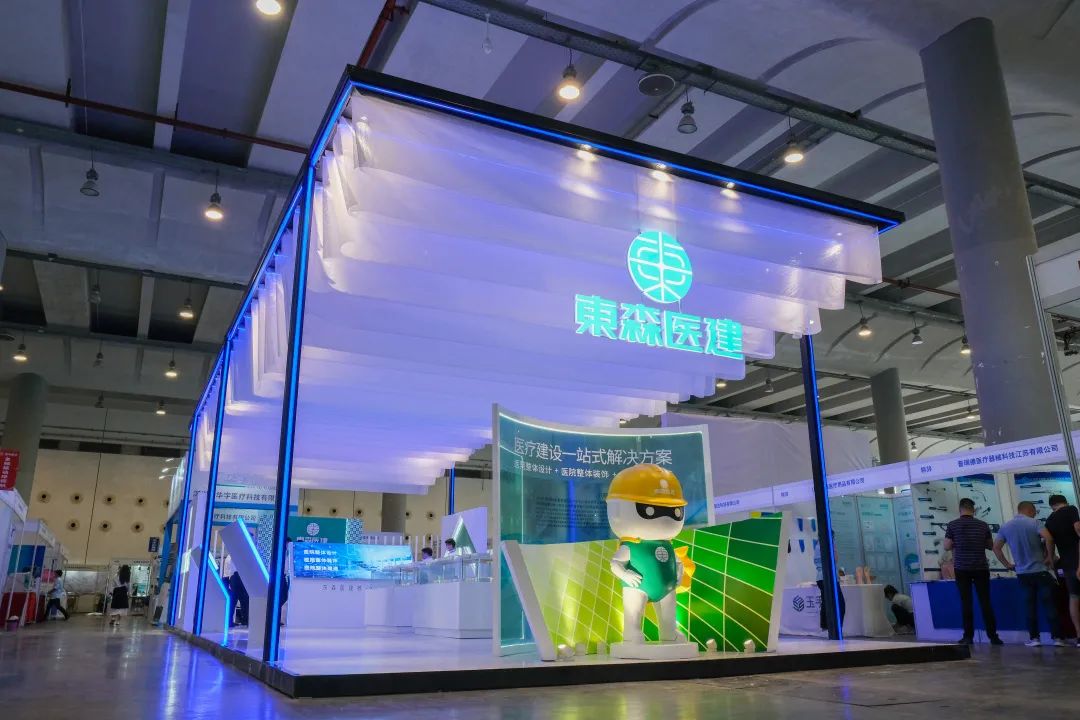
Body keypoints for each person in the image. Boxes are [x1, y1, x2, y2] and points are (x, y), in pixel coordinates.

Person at [995, 501, 1064, 647]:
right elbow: (1049, 538)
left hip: (1022, 573)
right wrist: (1049, 557)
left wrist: (1007, 565)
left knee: (1029, 607)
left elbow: (996, 547)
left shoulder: (1006, 526)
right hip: (1040, 571)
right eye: (1034, 511)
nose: (1035, 514)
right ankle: (1057, 638)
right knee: (1049, 604)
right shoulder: (1035, 523)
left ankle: (1034, 639)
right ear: (1030, 510)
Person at [944, 498, 1003, 645]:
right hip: (981, 568)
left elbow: (946, 546)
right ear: (973, 510)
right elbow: (989, 545)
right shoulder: (983, 525)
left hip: (961, 568)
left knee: (966, 603)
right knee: (985, 602)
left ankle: (968, 637)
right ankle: (993, 637)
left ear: (960, 509)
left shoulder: (952, 525)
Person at [1045, 494, 1080, 647]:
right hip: (1078, 559)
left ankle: (1079, 635)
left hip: (1067, 564)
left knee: (1074, 597)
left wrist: (1051, 559)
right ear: (1065, 502)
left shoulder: (1049, 520)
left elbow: (1050, 542)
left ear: (1052, 506)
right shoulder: (1071, 509)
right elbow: (1078, 527)